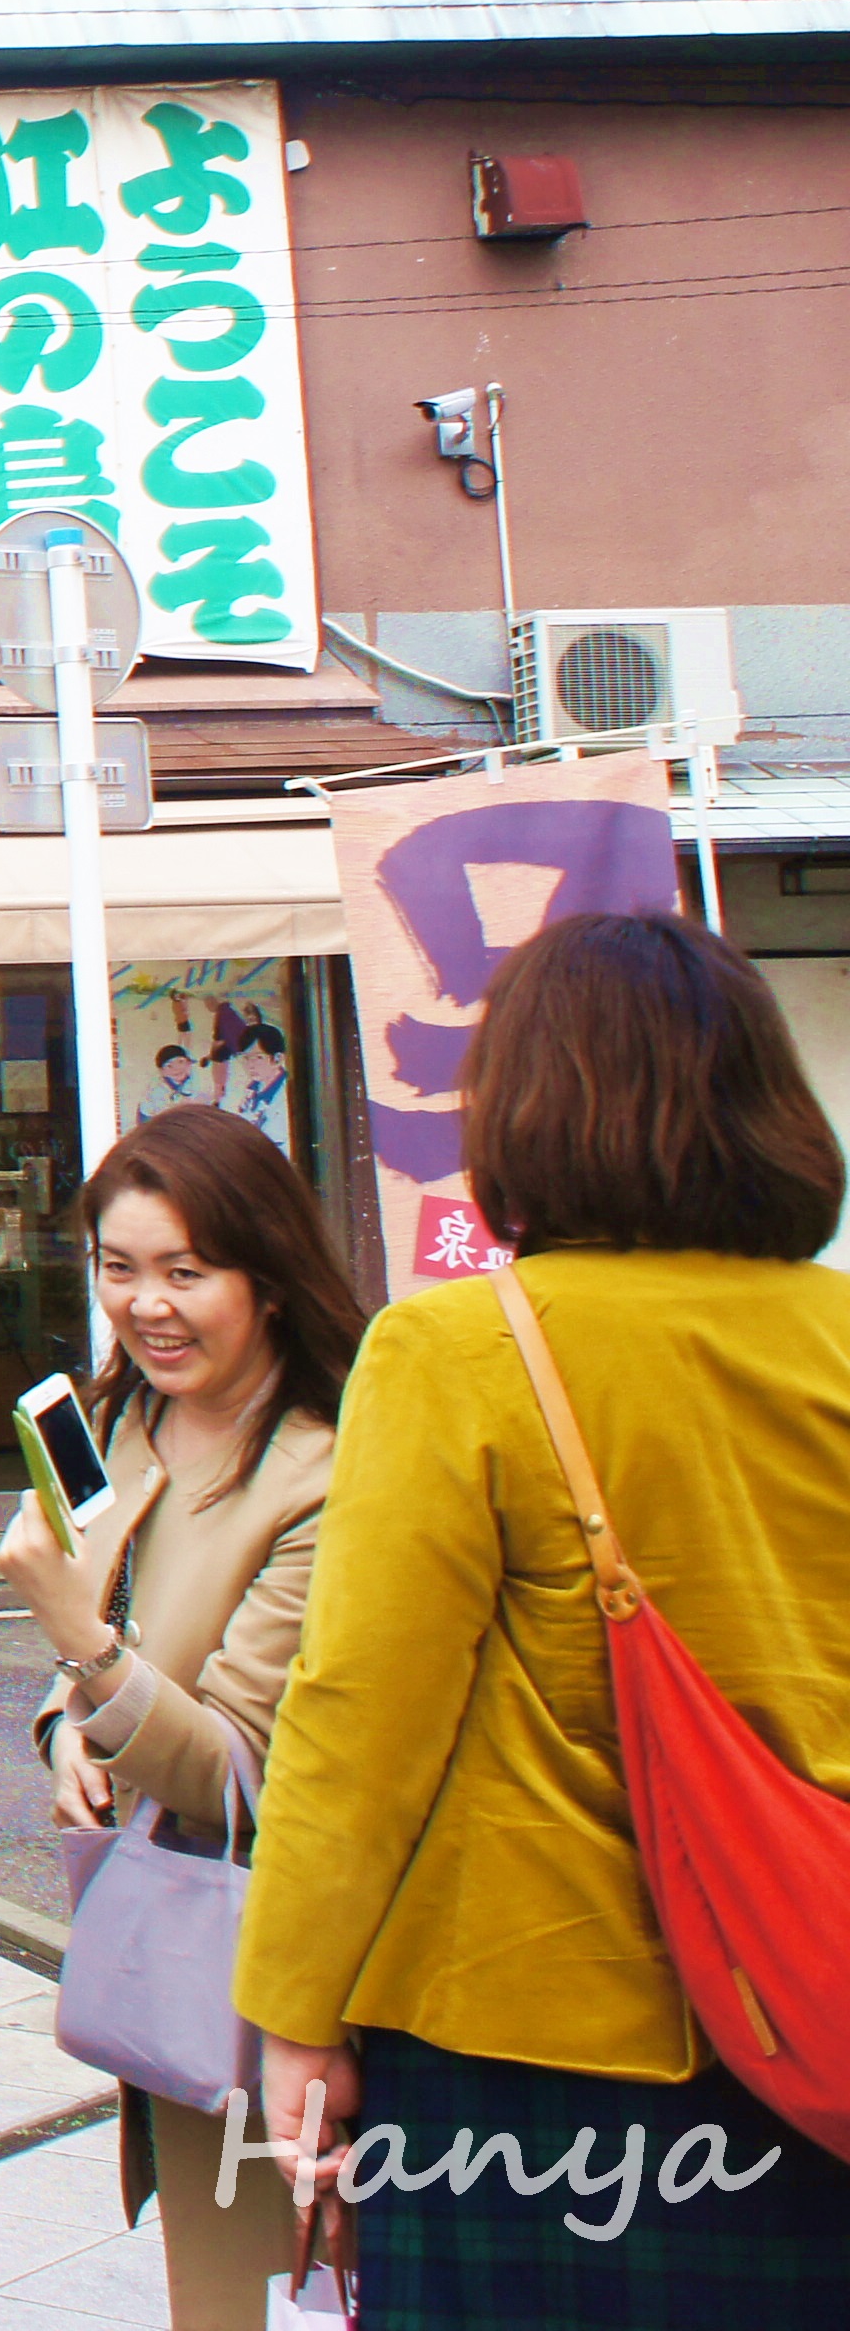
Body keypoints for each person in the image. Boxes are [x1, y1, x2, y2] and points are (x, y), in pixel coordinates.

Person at [236, 914, 850, 2320]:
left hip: (531, 2054)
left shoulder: (458, 1352)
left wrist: (293, 2012)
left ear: (521, 1107)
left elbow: (360, 1721)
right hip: (823, 2017)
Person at [0, 1104, 359, 2327]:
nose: (145, 1305)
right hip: (173, 1955)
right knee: (215, 2296)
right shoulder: (117, 1425)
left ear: (268, 1276)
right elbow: (100, 1669)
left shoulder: (323, 1470)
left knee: (289, 2283)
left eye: (186, 1273)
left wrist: (81, 1650)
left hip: (291, 1974)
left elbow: (239, 1770)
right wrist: (64, 1729)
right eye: (119, 1268)